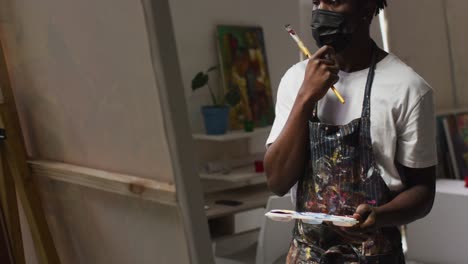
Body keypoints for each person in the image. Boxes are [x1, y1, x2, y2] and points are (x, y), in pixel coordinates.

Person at [264, 0, 437, 263]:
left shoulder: (408, 89)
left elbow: (423, 191)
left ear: (366, 9)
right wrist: (306, 97)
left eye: (333, 2)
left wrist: (381, 215)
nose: (321, 11)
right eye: (316, 2)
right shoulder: (295, 80)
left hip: (375, 254)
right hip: (307, 255)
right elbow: (276, 181)